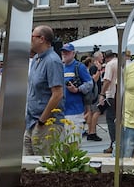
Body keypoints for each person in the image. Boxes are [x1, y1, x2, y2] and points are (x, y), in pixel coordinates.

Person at [24, 25, 64, 156]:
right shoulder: (36, 59)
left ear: (42, 39)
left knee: (44, 167)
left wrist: (42, 120)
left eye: (32, 37)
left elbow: (57, 94)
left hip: (46, 124)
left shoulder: (52, 61)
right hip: (31, 121)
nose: (29, 39)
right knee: (27, 165)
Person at [59, 43, 93, 142]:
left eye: (67, 52)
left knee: (73, 143)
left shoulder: (79, 66)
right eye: (63, 52)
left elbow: (90, 83)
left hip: (75, 111)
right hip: (61, 111)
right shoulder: (60, 67)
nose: (65, 54)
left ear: (73, 53)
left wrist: (78, 89)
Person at [99, 47, 120, 153]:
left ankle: (114, 144)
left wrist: (102, 94)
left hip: (111, 95)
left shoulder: (109, 65)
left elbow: (107, 80)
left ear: (106, 58)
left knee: (111, 120)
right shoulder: (122, 63)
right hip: (121, 95)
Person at [84, 49, 104, 142]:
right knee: (95, 112)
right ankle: (92, 132)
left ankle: (91, 131)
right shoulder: (94, 68)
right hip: (93, 94)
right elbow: (93, 80)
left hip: (94, 93)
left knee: (93, 112)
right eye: (101, 56)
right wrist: (99, 70)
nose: (103, 58)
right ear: (97, 58)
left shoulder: (94, 67)